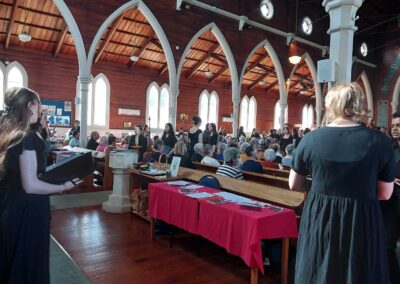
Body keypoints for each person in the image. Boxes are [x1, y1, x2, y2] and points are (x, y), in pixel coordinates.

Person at [290, 83, 395, 284]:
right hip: (361, 219)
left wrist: (321, 186)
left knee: (319, 267)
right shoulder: (380, 142)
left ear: (331, 105)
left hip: (320, 216)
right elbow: (384, 194)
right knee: (359, 271)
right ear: (360, 106)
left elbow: (294, 184)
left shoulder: (310, 139)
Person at [0, 87, 78, 284]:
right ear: (30, 106)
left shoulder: (12, 133)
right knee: (29, 262)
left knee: (14, 259)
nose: (41, 109)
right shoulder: (28, 138)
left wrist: (53, 175)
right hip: (28, 209)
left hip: (12, 205)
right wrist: (64, 186)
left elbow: (23, 173)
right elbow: (31, 185)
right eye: (39, 104)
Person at [383, 112, 400, 283]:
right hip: (390, 203)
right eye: (394, 125)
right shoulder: (390, 148)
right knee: (387, 245)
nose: (395, 129)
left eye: (399, 125)